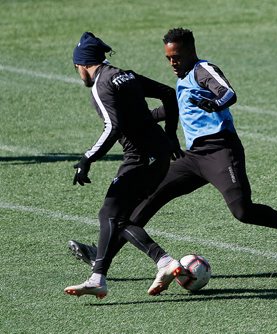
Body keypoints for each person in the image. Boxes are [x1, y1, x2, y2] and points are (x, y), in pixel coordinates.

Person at [68, 28, 277, 273]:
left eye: (177, 57)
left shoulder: (203, 69)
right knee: (144, 205)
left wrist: (214, 103)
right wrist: (140, 121)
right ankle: (100, 256)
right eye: (168, 58)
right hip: (191, 157)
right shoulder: (182, 80)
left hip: (220, 151)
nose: (172, 63)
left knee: (243, 211)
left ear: (190, 52)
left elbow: (228, 93)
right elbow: (172, 109)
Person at [64, 32, 187, 299]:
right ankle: (100, 277)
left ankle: (164, 262)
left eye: (77, 68)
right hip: (159, 157)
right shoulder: (124, 75)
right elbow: (168, 95)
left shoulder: (101, 86)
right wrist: (170, 135)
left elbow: (113, 127)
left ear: (82, 64)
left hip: (140, 159)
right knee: (118, 218)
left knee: (109, 214)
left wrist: (87, 158)